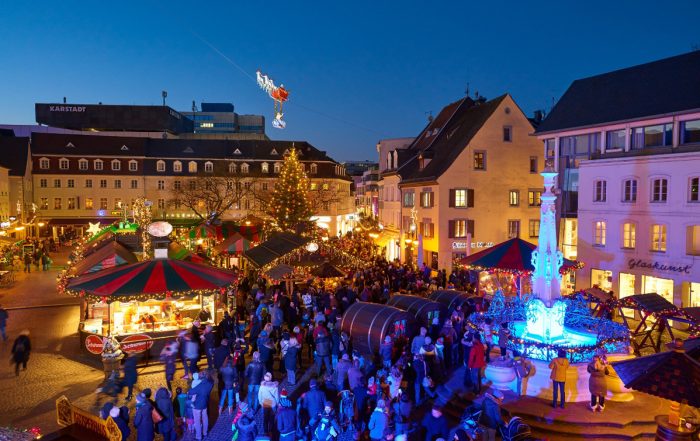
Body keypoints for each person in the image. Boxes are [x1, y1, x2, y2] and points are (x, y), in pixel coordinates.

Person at [190, 370, 213, 440]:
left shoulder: (199, 386)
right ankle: (205, 433)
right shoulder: (210, 383)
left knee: (197, 421)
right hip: (205, 404)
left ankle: (199, 437)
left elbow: (191, 391)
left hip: (197, 405)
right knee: (205, 418)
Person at [258, 371, 279, 435]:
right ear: (271, 378)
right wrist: (278, 404)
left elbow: (259, 395)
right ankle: (271, 431)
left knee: (265, 418)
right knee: (272, 418)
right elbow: (276, 397)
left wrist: (261, 403)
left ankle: (265, 431)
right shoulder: (275, 386)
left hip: (266, 403)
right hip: (273, 403)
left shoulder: (262, 386)